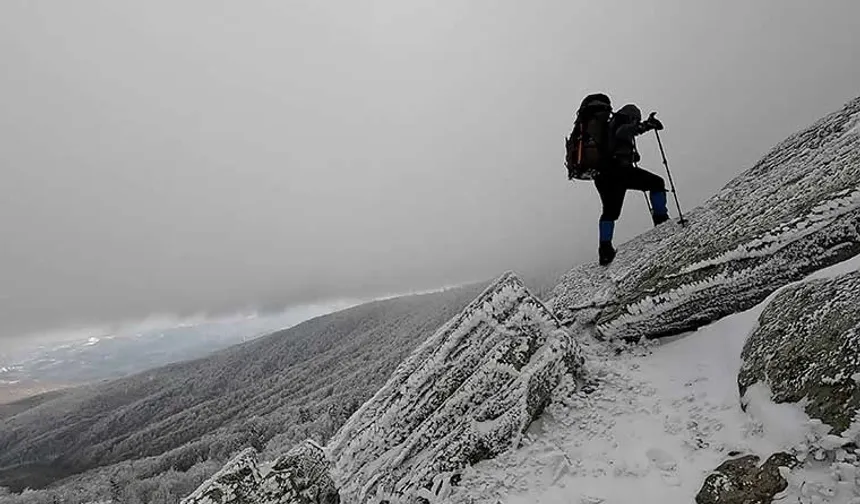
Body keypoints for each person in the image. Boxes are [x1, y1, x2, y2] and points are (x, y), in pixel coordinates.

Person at [595, 104, 669, 266]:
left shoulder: (607, 128)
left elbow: (619, 139)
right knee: (657, 183)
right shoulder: (621, 121)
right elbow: (624, 131)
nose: (636, 121)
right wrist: (646, 126)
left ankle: (605, 250)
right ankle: (662, 221)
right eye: (636, 119)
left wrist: (632, 155)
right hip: (619, 172)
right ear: (632, 116)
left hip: (602, 176)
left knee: (610, 212)